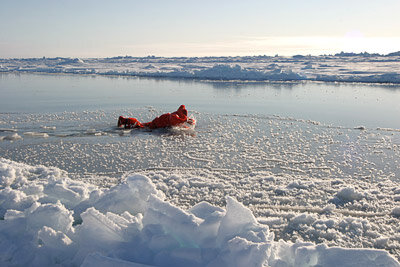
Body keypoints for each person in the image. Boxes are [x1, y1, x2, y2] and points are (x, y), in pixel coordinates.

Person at [117, 105, 194, 129]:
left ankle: (124, 121)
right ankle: (124, 120)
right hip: (157, 124)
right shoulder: (175, 116)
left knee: (143, 125)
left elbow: (178, 122)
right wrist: (186, 120)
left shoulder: (177, 115)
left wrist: (187, 126)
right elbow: (175, 121)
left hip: (158, 122)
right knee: (140, 126)